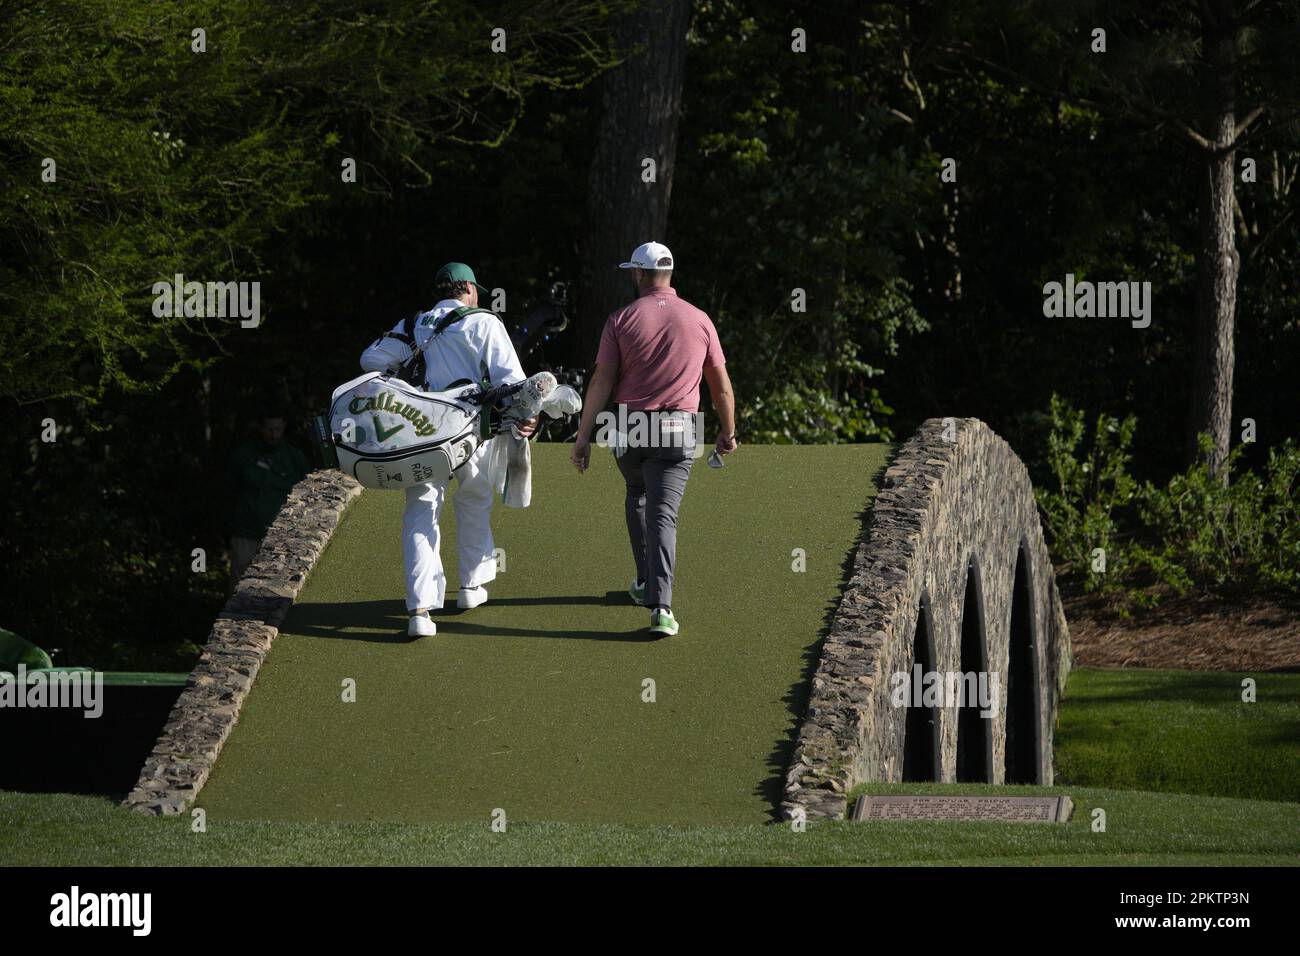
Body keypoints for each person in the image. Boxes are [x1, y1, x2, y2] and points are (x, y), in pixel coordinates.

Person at [360, 262, 536, 638]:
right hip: (472, 428)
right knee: (475, 499)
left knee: (421, 512)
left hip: (420, 431)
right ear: (469, 289)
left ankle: (420, 611)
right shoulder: (484, 321)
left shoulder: (412, 324)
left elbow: (371, 361)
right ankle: (471, 586)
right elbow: (513, 382)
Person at [570, 241, 737, 636]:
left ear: (638, 274)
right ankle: (660, 606)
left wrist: (582, 437)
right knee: (664, 513)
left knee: (637, 494)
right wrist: (727, 431)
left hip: (628, 427)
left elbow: (602, 381)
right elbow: (721, 388)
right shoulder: (700, 319)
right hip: (680, 429)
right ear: (670, 274)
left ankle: (645, 583)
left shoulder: (620, 319)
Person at [226, 412, 309, 589]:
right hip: (246, 533)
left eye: (277, 429)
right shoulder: (243, 456)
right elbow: (229, 490)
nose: (273, 434)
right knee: (240, 584)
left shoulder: (294, 458)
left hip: (280, 535)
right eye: (269, 429)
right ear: (261, 428)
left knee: (277, 585)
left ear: (284, 427)